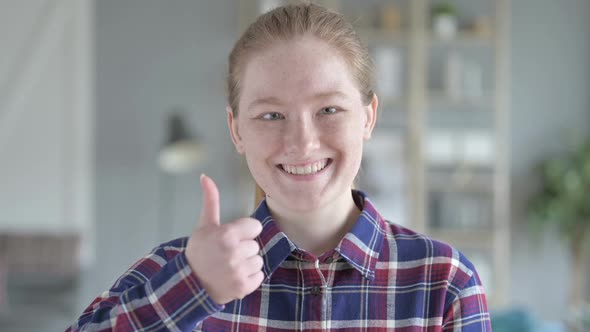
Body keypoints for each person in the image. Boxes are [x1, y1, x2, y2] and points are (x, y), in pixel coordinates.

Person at [68, 3, 491, 331]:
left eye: (328, 109)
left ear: (368, 117)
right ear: (236, 130)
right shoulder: (177, 269)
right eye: (271, 115)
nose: (302, 141)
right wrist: (193, 288)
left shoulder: (444, 283)